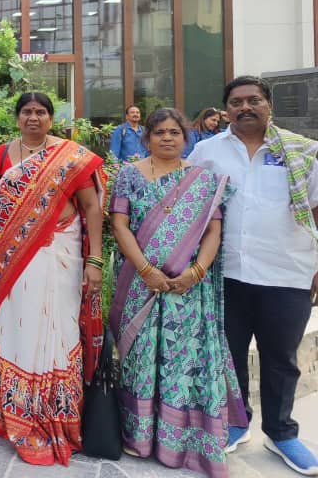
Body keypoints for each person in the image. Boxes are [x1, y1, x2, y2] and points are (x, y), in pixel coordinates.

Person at [189, 76, 318, 476]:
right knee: (229, 355)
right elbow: (191, 206)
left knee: (281, 358)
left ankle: (281, 433)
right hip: (226, 273)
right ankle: (236, 422)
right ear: (225, 109)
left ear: (268, 105)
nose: (245, 107)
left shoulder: (302, 151)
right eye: (236, 102)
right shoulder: (207, 151)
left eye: (254, 100)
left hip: (287, 271)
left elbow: (316, 208)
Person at [110, 107, 247, 477]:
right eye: (159, 132)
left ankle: (179, 439)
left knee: (180, 362)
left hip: (187, 291)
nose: (167, 138)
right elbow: (120, 225)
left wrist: (196, 272)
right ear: (147, 137)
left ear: (186, 138)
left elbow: (213, 230)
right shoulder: (129, 175)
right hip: (140, 285)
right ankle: (139, 437)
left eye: (174, 132)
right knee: (140, 360)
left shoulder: (203, 180)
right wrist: (146, 270)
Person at [0, 91, 104, 465]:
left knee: (59, 329)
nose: (33, 117)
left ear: (51, 118)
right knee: (19, 329)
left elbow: (92, 206)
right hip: (13, 260)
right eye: (27, 112)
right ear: (17, 117)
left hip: (61, 254)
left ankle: (58, 415)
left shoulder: (69, 156)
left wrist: (95, 260)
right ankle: (17, 414)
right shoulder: (2, 155)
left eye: (41, 112)